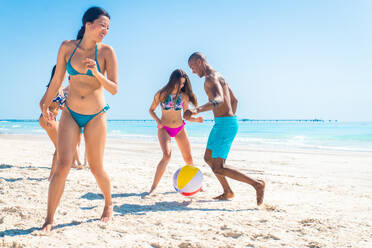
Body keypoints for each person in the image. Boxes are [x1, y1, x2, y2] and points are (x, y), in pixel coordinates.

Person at [41, 7, 118, 233]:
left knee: (96, 167)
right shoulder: (67, 47)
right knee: (62, 166)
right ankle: (49, 219)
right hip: (70, 113)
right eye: (102, 25)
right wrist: (46, 106)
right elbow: (57, 80)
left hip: (96, 115)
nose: (106, 30)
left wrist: (96, 73)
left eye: (108, 27)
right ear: (88, 24)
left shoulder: (106, 52)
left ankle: (109, 202)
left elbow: (114, 88)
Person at [184, 52, 265, 205]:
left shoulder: (210, 79)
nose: (192, 71)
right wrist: (228, 117)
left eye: (193, 66)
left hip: (225, 125)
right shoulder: (219, 76)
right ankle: (228, 191)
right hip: (222, 123)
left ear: (200, 62)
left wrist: (196, 110)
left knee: (219, 167)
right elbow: (234, 100)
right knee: (208, 158)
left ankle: (257, 184)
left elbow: (219, 100)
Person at [148, 69, 203, 195]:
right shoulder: (161, 94)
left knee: (188, 158)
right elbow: (151, 110)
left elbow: (186, 116)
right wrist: (157, 120)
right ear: (173, 81)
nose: (181, 86)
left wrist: (195, 120)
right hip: (164, 129)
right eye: (179, 83)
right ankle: (154, 187)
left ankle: (196, 184)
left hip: (179, 129)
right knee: (167, 155)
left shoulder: (184, 96)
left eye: (183, 84)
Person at [39, 67, 85, 180]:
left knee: (61, 147)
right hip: (48, 119)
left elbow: (58, 106)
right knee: (60, 148)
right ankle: (52, 176)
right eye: (64, 72)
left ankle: (53, 176)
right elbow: (42, 103)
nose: (65, 75)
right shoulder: (54, 86)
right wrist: (47, 116)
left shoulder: (59, 87)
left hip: (53, 119)